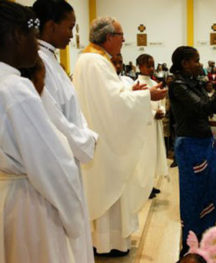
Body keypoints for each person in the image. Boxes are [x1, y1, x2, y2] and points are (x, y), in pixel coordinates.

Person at [0, 2, 89, 262]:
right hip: (33, 202)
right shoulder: (16, 88)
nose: (36, 45)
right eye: (33, 37)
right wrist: (74, 216)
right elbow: (51, 163)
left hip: (9, 196)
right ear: (18, 35)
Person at [73, 16, 167, 256]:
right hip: (105, 140)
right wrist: (147, 97)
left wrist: (130, 91)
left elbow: (110, 96)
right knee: (110, 190)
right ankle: (109, 243)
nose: (124, 40)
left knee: (108, 190)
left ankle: (105, 240)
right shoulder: (95, 62)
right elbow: (113, 104)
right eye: (121, 36)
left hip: (101, 133)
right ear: (108, 38)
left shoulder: (91, 59)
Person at [32, 1, 98, 261]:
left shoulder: (50, 60)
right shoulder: (38, 64)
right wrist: (87, 140)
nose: (72, 34)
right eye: (69, 27)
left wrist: (85, 136)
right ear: (50, 26)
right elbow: (53, 119)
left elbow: (71, 107)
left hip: (70, 156)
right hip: (57, 164)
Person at [169, 46, 216, 258]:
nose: (200, 64)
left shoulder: (192, 82)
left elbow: (212, 105)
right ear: (184, 63)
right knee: (193, 195)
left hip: (203, 143)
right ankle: (190, 245)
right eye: (196, 60)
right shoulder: (178, 86)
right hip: (191, 146)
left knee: (207, 192)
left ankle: (202, 238)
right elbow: (204, 107)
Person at [135, 54, 168, 199]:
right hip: (145, 126)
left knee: (154, 155)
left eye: (152, 65)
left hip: (156, 125)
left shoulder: (154, 83)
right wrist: (153, 112)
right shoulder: (138, 84)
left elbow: (162, 102)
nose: (151, 68)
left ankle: (150, 185)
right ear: (140, 67)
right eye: (148, 65)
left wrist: (162, 111)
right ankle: (143, 188)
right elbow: (138, 105)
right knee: (145, 156)